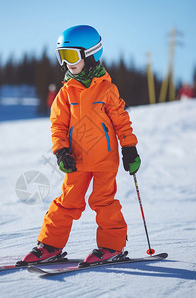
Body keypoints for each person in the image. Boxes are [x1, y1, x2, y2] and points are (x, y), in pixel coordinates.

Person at [18, 25, 141, 267]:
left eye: (71, 56)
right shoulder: (65, 93)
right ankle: (50, 245)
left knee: (103, 202)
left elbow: (121, 122)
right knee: (66, 202)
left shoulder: (107, 89)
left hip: (105, 161)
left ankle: (111, 246)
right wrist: (61, 150)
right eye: (61, 57)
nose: (66, 63)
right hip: (77, 161)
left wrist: (129, 149)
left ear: (91, 54)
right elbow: (58, 127)